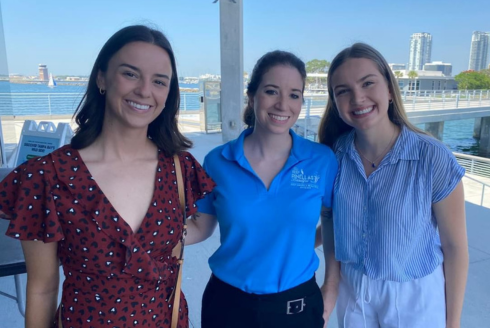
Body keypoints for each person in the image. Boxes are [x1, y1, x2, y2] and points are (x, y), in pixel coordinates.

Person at [0, 25, 214, 328]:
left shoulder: (180, 169)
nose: (144, 90)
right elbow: (42, 287)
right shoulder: (46, 178)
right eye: (130, 73)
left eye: (159, 81)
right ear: (102, 78)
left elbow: (182, 236)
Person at [184, 50, 339, 328]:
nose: (283, 104)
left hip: (297, 304)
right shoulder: (218, 161)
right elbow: (201, 226)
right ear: (252, 96)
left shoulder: (321, 160)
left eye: (294, 94)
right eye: (271, 91)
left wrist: (330, 290)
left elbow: (333, 222)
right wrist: (152, 233)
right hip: (227, 303)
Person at [318, 43, 468, 328]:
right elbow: (330, 220)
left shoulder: (431, 157)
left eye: (368, 83)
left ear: (389, 89)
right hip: (354, 291)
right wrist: (331, 284)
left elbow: (455, 247)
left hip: (415, 295)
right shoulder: (332, 157)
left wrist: (453, 323)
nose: (358, 98)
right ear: (335, 102)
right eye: (343, 91)